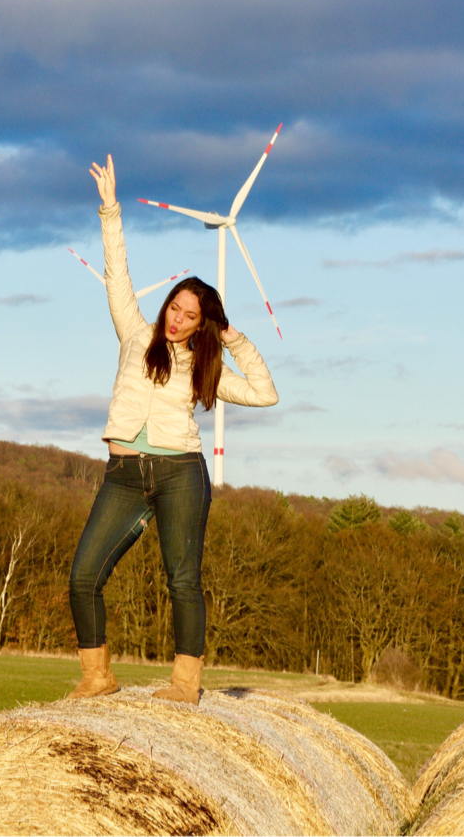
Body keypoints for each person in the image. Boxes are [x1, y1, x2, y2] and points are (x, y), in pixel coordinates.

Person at [66, 154, 279, 705]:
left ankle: (185, 684)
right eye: (175, 307)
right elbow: (117, 273)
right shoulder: (133, 333)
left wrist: (232, 336)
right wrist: (110, 209)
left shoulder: (205, 369)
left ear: (202, 322)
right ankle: (97, 676)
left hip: (181, 472)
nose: (177, 318)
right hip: (123, 474)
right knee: (83, 576)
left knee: (182, 579)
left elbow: (264, 392)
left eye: (190, 315)